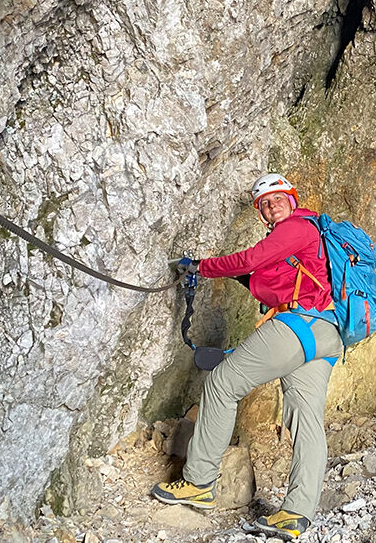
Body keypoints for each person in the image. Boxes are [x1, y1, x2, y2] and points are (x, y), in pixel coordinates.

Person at [151, 173, 342, 540]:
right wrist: (233, 277)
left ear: (292, 198)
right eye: (264, 204)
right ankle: (296, 515)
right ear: (261, 213)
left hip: (299, 325)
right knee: (306, 418)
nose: (272, 206)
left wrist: (200, 266)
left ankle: (199, 482)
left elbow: (250, 259)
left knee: (223, 383)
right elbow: (264, 276)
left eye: (277, 198)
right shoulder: (307, 235)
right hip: (327, 333)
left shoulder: (297, 227)